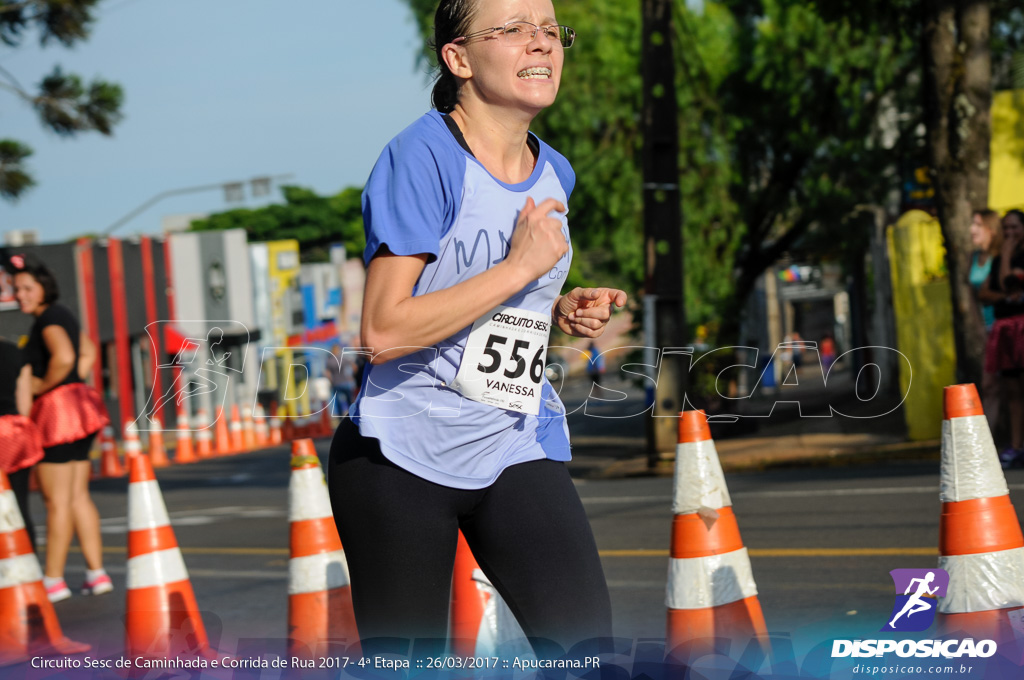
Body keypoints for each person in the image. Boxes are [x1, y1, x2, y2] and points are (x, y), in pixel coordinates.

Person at [328, 0, 625, 654]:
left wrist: (557, 306)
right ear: (458, 58)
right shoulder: (423, 158)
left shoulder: (556, 171)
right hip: (400, 459)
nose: (541, 44)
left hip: (514, 441)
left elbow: (492, 295)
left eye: (550, 31)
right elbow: (382, 330)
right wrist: (521, 268)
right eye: (514, 30)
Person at [11, 254, 112, 602]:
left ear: (43, 288)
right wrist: (74, 382)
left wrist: (44, 387)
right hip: (82, 407)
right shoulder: (62, 314)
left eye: (26, 288)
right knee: (78, 495)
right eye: (15, 288)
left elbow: (67, 356)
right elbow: (86, 352)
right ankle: (96, 573)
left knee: (57, 500)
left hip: (59, 413)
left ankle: (52, 579)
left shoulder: (47, 319)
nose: (19, 294)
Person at [979, 210, 1024, 467]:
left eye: (1014, 228)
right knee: (1012, 390)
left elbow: (1009, 284)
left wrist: (1006, 254)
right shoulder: (998, 259)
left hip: (1021, 328)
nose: (1009, 234)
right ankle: (1016, 445)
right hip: (1005, 330)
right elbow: (986, 292)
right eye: (1005, 229)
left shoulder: (1011, 256)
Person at [0, 336, 45, 550]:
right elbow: (24, 404)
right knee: (19, 502)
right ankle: (28, 564)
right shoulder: (15, 352)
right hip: (13, 433)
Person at [970, 209, 1002, 432]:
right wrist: (979, 328)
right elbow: (975, 297)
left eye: (977, 225)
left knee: (1012, 385)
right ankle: (988, 442)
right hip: (987, 327)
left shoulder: (1000, 255)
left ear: (990, 229)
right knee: (990, 384)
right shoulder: (973, 257)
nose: (972, 230)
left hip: (1006, 324)